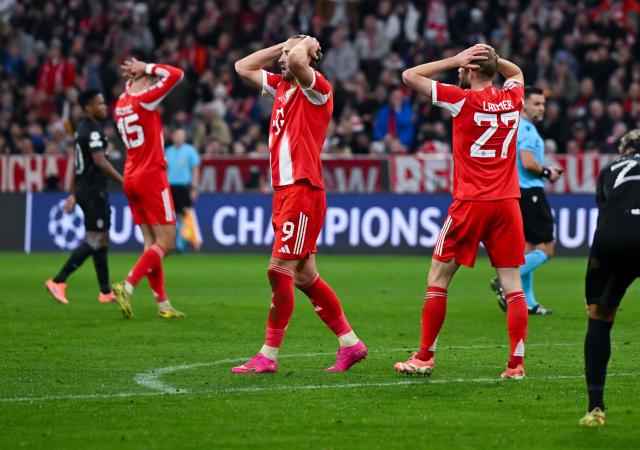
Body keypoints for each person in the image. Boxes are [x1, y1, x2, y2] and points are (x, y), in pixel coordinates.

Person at [232, 34, 367, 373]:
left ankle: (268, 355)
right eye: (282, 53)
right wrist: (283, 46)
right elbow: (242, 66)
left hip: (303, 189)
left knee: (278, 270)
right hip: (284, 191)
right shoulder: (281, 86)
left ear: (307, 57)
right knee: (306, 276)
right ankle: (351, 344)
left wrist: (303, 45)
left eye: (289, 53)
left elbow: (296, 63)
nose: (283, 58)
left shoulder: (317, 89)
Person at [394, 44, 529, 380]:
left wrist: (455, 59)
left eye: (464, 64)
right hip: (508, 203)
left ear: (470, 69)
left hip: (471, 203)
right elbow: (514, 73)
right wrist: (492, 59)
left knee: (438, 279)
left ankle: (424, 357)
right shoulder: (513, 98)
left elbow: (410, 76)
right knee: (512, 285)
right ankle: (516, 365)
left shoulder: (462, 100)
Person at [112, 57, 185, 319]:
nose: (153, 81)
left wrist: (142, 73)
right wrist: (149, 68)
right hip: (151, 175)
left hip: (130, 175)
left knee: (151, 244)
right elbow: (176, 74)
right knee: (166, 242)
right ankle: (127, 284)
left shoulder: (120, 104)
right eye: (148, 78)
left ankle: (163, 303)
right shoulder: (144, 99)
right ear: (138, 79)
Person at [579, 130, 640, 427]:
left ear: (624, 150)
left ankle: (595, 408)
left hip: (614, 234)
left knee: (599, 316)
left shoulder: (610, 168)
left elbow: (604, 211)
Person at [45, 89, 123, 304]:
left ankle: (105, 292)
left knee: (102, 240)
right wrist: (124, 182)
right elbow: (99, 161)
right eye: (100, 103)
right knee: (95, 240)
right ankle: (58, 281)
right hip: (93, 191)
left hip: (85, 190)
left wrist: (72, 193)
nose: (104, 106)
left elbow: (76, 162)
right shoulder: (93, 131)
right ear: (88, 107)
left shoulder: (81, 128)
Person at [491, 86, 562, 315]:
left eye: (543, 103)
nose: (542, 108)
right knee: (546, 250)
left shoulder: (512, 126)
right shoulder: (528, 131)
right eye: (537, 103)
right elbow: (529, 162)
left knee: (528, 248)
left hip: (513, 192)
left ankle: (529, 303)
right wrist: (547, 173)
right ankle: (504, 279)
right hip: (530, 193)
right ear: (523, 104)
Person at [165, 128, 201, 252]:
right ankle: (171, 241)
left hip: (184, 186)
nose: (180, 137)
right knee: (171, 216)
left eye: (182, 135)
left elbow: (195, 170)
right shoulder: (168, 151)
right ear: (173, 136)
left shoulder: (190, 151)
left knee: (185, 215)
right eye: (178, 135)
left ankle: (181, 243)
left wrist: (194, 188)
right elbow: (163, 171)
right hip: (170, 187)